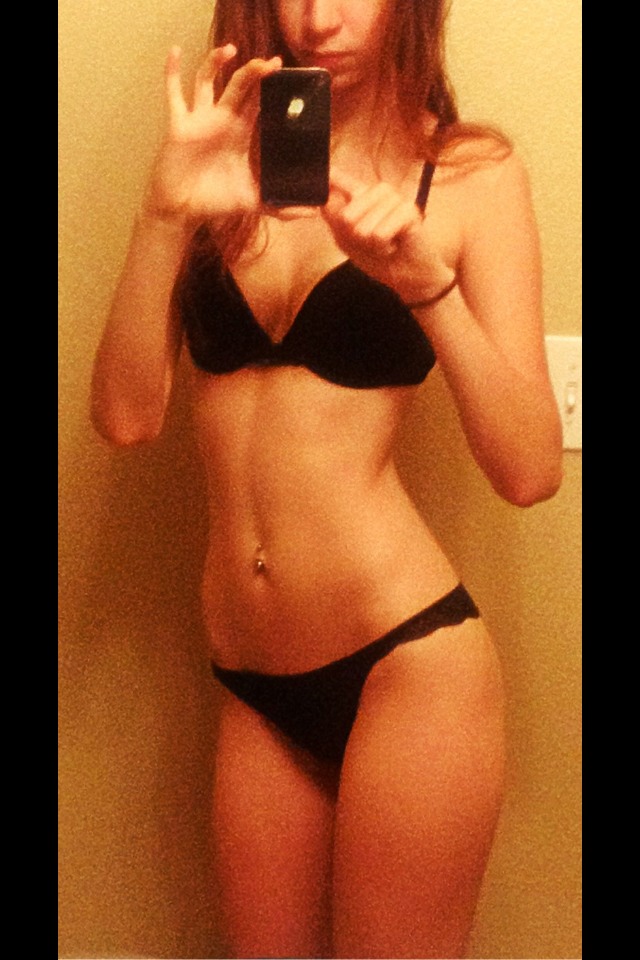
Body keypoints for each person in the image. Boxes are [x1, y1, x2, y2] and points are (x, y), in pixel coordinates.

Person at [91, 1, 563, 957]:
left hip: (408, 664)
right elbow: (126, 418)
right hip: (255, 684)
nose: (319, 17)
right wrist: (163, 215)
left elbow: (529, 470)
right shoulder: (219, 158)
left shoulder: (469, 175)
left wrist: (428, 289)